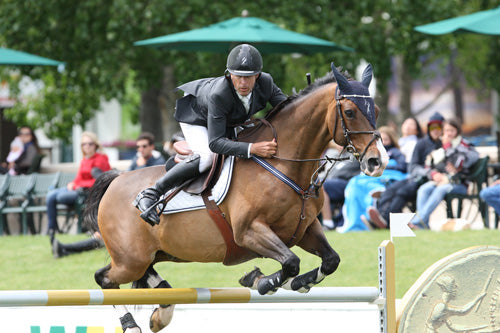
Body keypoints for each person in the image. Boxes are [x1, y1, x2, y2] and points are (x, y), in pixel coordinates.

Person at [134, 43, 288, 225]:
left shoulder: (267, 83)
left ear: (258, 75)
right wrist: (253, 148)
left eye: (248, 77)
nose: (243, 83)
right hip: (196, 116)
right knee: (207, 156)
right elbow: (216, 143)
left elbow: (287, 110)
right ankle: (151, 193)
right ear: (230, 74)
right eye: (238, 76)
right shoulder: (220, 94)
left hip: (226, 118)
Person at [366, 112, 445, 228]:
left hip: (426, 181)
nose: (435, 130)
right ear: (428, 128)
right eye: (432, 126)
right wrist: (427, 172)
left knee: (402, 192)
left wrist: (432, 174)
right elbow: (413, 166)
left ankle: (387, 221)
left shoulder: (444, 144)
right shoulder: (422, 144)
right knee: (391, 190)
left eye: (439, 127)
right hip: (416, 177)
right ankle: (381, 217)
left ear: (443, 128)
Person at [410, 119, 479, 228]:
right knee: (424, 189)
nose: (449, 133)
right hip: (442, 181)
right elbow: (433, 163)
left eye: (452, 130)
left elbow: (458, 163)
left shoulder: (463, 144)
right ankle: (423, 225)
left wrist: (447, 148)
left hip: (460, 183)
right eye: (446, 130)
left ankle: (417, 222)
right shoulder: (442, 144)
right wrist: (434, 174)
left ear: (457, 131)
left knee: (440, 189)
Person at [338, 126, 408, 232]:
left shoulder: (394, 152)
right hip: (369, 177)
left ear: (391, 140)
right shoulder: (372, 153)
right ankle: (358, 220)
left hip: (387, 177)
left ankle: (372, 211)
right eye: (380, 139)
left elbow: (402, 166)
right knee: (354, 184)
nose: (383, 142)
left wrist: (383, 166)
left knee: (370, 187)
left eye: (385, 139)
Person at [46, 131, 111, 236]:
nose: (87, 146)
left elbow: (99, 181)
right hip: (78, 189)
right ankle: (52, 228)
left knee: (61, 197)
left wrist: (78, 185)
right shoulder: (84, 160)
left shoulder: (101, 159)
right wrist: (72, 184)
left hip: (88, 192)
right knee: (50, 195)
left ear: (95, 145)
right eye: (84, 144)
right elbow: (78, 178)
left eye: (90, 143)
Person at [320, 142, 361, 230]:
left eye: (342, 145)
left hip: (348, 184)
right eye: (338, 144)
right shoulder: (337, 155)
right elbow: (330, 172)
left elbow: (341, 172)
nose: (339, 146)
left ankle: (328, 223)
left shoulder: (354, 156)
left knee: (321, 186)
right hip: (333, 182)